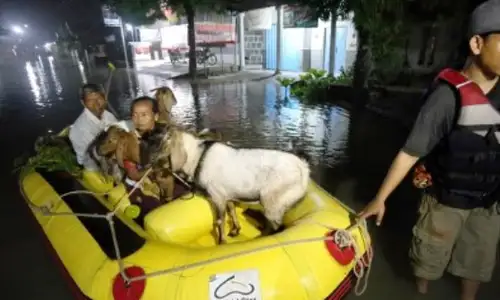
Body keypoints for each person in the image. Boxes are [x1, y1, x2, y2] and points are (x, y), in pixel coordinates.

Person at [359, 1, 500, 300]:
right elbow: (410, 152)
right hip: (444, 203)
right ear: (477, 43)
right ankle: (421, 293)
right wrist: (380, 199)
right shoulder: (447, 98)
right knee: (427, 262)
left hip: (487, 206)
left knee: (476, 264)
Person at [69, 83, 117, 170]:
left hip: (111, 154)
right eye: (91, 100)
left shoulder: (108, 115)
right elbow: (95, 155)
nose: (97, 103)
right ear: (83, 102)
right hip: (93, 166)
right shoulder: (81, 128)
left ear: (105, 98)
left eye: (99, 98)